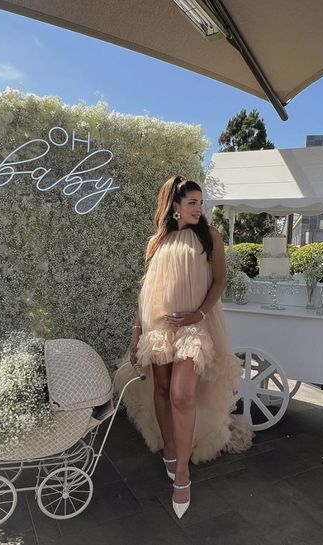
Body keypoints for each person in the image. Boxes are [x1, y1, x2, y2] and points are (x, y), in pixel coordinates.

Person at [114, 175, 253, 519]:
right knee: (161, 390)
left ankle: (183, 474)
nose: (199, 208)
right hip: (158, 327)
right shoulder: (157, 242)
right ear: (175, 206)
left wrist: (198, 314)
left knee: (182, 394)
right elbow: (145, 294)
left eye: (201, 203)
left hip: (195, 327)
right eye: (192, 203)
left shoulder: (210, 237)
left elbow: (219, 281)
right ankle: (172, 452)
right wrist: (136, 335)